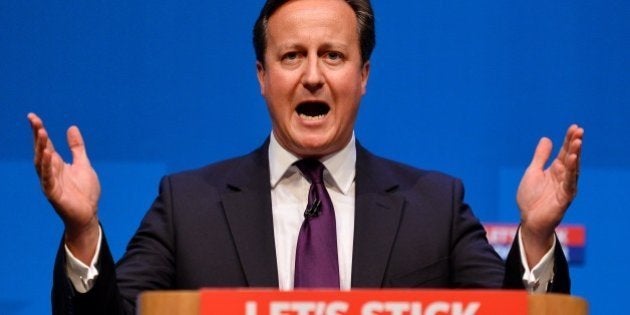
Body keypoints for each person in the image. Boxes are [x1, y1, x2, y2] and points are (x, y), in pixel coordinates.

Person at [28, 0, 584, 314]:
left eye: (333, 55)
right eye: (292, 55)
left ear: (363, 76)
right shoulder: (187, 205)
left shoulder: (435, 205)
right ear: (262, 78)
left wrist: (534, 240)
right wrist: (82, 232)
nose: (313, 75)